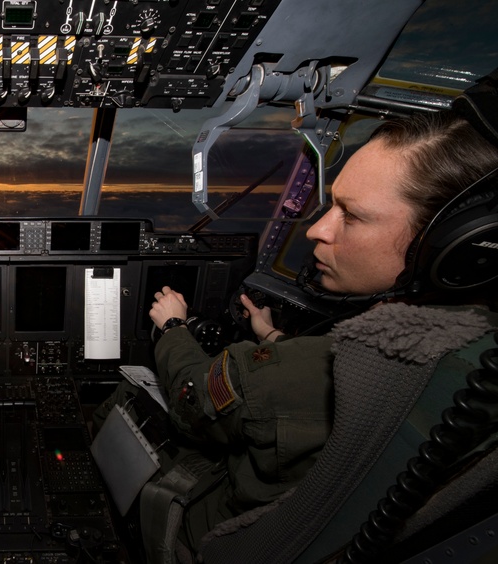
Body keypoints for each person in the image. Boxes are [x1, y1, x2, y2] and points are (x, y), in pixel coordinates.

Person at [96, 108, 498, 562]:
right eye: (332, 205)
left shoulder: (375, 362)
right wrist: (274, 340)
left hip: (214, 529)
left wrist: (171, 327)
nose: (316, 229)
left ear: (456, 243)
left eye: (353, 216)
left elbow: (193, 403)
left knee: (116, 405)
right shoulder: (469, 348)